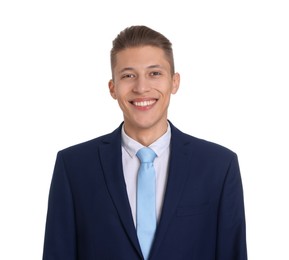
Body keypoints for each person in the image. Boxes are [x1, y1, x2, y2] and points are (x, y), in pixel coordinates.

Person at [42, 25, 247, 260]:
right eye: (128, 75)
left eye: (154, 73)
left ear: (174, 82)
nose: (141, 88)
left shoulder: (219, 166)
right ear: (113, 88)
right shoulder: (74, 167)